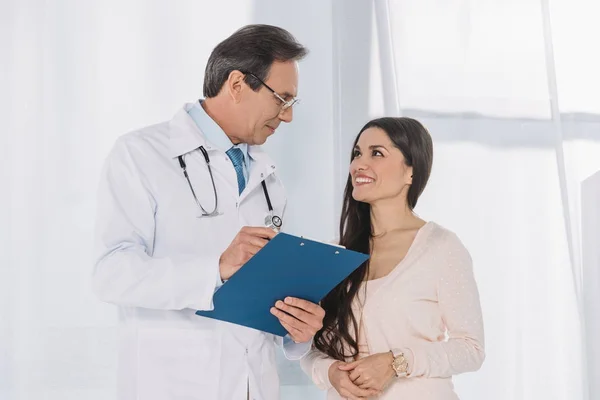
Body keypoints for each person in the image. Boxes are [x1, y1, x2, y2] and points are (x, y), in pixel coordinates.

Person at [92, 24, 325, 400]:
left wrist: (298, 327)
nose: (287, 117)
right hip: (174, 383)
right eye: (281, 99)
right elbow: (111, 273)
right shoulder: (140, 154)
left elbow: (259, 294)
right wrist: (216, 267)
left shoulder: (268, 178)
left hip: (255, 385)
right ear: (237, 84)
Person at [301, 117, 485, 399]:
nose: (358, 164)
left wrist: (396, 362)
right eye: (357, 153)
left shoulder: (440, 247)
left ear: (411, 171)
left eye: (377, 153)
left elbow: (471, 349)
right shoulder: (335, 252)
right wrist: (330, 372)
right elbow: (312, 349)